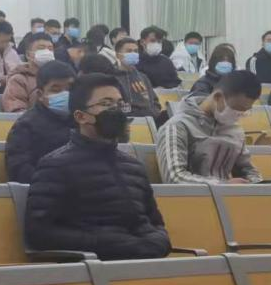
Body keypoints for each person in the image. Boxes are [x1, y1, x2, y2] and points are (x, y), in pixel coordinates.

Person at [26, 73, 171, 261]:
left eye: (120, 104)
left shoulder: (134, 166)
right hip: (98, 266)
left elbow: (156, 223)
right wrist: (109, 244)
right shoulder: (55, 166)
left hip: (146, 261)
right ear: (81, 116)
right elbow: (39, 232)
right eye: (106, 104)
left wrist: (159, 240)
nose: (116, 111)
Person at [157, 70, 264, 184]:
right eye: (236, 109)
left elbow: (248, 170)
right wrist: (223, 185)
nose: (238, 115)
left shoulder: (235, 131)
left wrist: (256, 184)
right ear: (218, 97)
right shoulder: (177, 127)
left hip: (229, 194)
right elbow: (175, 177)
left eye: (244, 111)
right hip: (194, 195)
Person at [4, 61, 77, 184]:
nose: (65, 95)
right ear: (40, 94)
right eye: (56, 90)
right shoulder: (25, 125)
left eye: (70, 89)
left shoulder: (84, 120)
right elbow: (19, 169)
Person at [114, 37, 164, 123]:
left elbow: (155, 102)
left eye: (136, 51)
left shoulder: (143, 77)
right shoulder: (112, 78)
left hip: (150, 120)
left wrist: (153, 113)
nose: (133, 54)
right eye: (129, 51)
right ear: (118, 55)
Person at [3, 35, 56, 113]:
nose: (47, 52)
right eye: (41, 48)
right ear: (28, 55)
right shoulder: (19, 80)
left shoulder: (60, 77)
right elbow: (16, 109)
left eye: (50, 49)